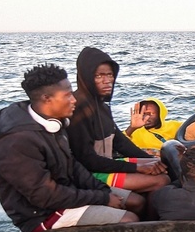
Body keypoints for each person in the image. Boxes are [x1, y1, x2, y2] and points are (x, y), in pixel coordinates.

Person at [0, 63, 139, 232]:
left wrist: (102, 191)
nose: (74, 100)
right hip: (42, 215)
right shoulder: (15, 143)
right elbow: (45, 196)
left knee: (137, 201)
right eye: (68, 95)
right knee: (129, 220)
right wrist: (103, 198)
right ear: (46, 98)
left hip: (66, 193)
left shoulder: (53, 124)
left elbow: (73, 166)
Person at [67, 47, 169, 193]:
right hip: (89, 173)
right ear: (86, 77)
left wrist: (149, 160)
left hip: (105, 164)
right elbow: (87, 159)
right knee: (161, 181)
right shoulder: (77, 109)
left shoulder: (102, 106)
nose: (107, 81)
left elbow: (120, 142)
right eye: (99, 76)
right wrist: (137, 168)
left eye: (110, 75)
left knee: (163, 166)